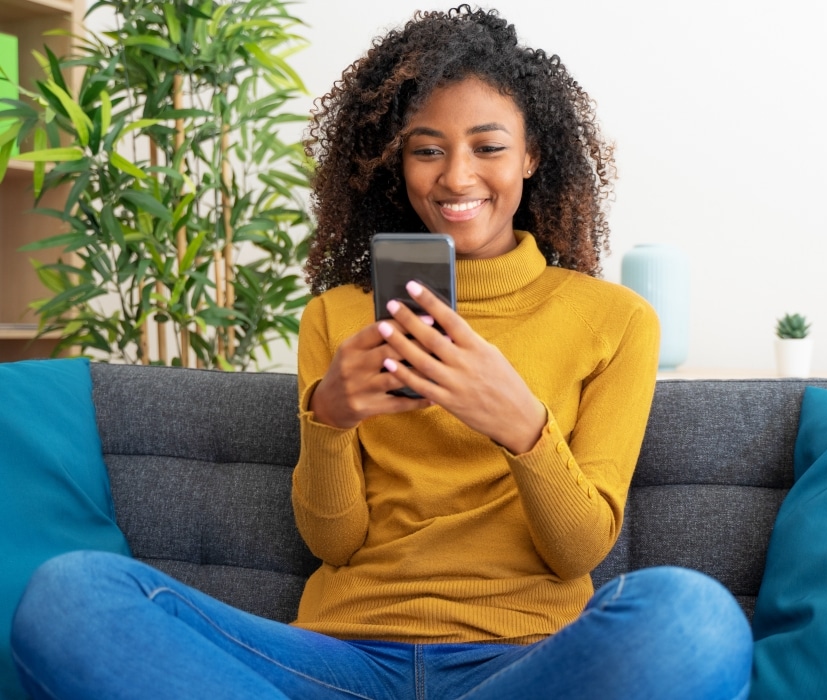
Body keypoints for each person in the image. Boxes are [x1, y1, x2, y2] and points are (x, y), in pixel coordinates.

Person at [10, 6, 752, 699]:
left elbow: (577, 551)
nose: (456, 177)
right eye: (427, 150)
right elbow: (335, 543)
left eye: (487, 147)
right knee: (72, 595)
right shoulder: (336, 317)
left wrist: (520, 424)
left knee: (692, 616)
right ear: (397, 164)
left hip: (524, 661)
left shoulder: (615, 320)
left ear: (531, 155)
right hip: (341, 659)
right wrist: (328, 419)